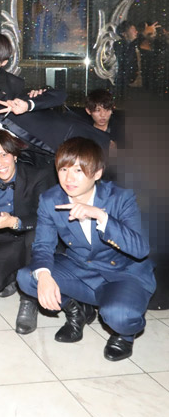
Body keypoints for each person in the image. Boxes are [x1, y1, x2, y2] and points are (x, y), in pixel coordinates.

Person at [17, 137, 154, 361]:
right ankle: (77, 310)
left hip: (122, 273)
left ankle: (124, 335)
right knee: (28, 277)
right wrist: (44, 276)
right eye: (63, 169)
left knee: (120, 316)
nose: (69, 178)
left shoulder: (120, 198)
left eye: (78, 171)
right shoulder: (51, 199)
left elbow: (140, 249)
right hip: (80, 268)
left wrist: (101, 216)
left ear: (97, 173)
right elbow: (43, 244)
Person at [0, 128, 55, 334]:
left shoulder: (39, 176)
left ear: (15, 155)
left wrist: (15, 222)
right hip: (4, 240)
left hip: (33, 237)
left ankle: (29, 299)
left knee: (33, 237)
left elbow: (46, 218)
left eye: (4, 155)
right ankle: (15, 275)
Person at [0, 94, 112, 169]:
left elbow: (59, 95)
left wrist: (29, 104)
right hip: (63, 165)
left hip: (76, 137)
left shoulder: (8, 104)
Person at [113, 20, 139, 98]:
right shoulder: (120, 45)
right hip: (124, 84)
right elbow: (127, 62)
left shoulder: (134, 45)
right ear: (124, 33)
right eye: (133, 30)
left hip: (130, 83)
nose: (136, 32)